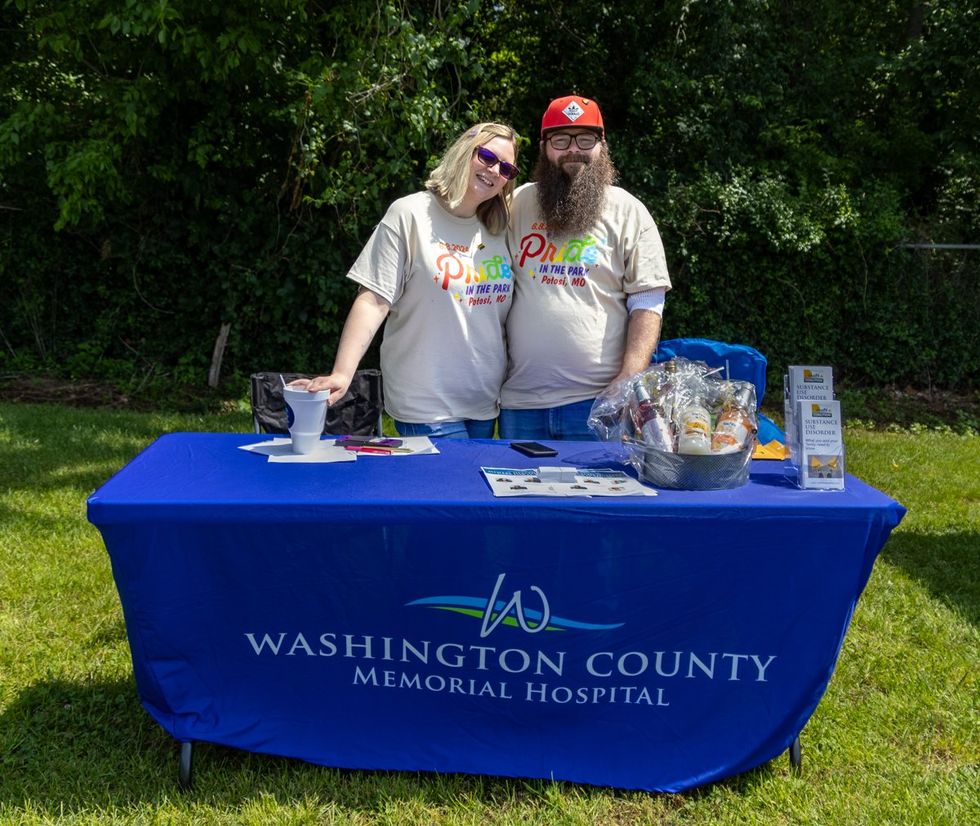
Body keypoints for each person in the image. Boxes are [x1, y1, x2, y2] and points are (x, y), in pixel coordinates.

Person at [292, 123, 520, 438]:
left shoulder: (499, 229)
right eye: (486, 156)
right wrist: (343, 373)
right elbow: (374, 298)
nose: (495, 170)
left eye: (506, 168)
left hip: (483, 406)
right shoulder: (409, 214)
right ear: (464, 151)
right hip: (427, 406)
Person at [498, 95, 671, 440]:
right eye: (561, 140)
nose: (573, 150)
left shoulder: (629, 211)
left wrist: (628, 379)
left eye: (585, 139)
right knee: (518, 492)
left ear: (601, 146)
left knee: (598, 494)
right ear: (545, 147)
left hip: (598, 403)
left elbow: (648, 301)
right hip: (520, 402)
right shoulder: (516, 205)